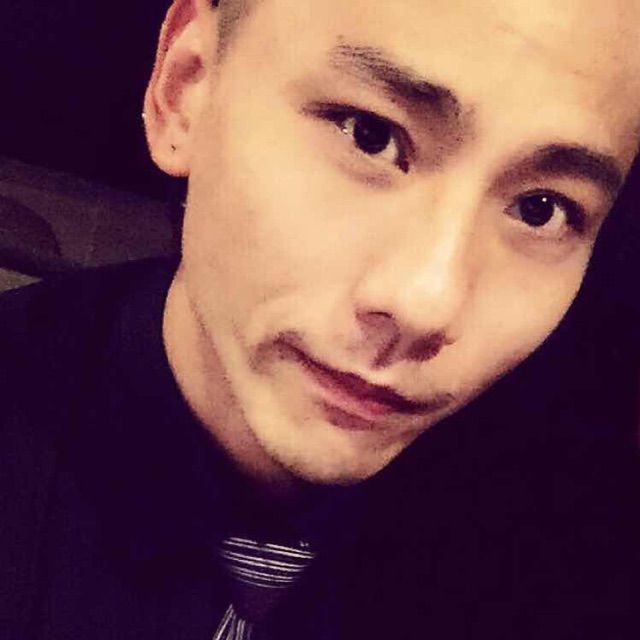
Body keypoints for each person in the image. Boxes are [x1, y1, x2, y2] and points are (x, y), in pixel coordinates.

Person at [1, 0, 640, 638]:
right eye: (370, 134)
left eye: (541, 209)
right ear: (186, 88)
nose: (426, 301)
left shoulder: (573, 559)